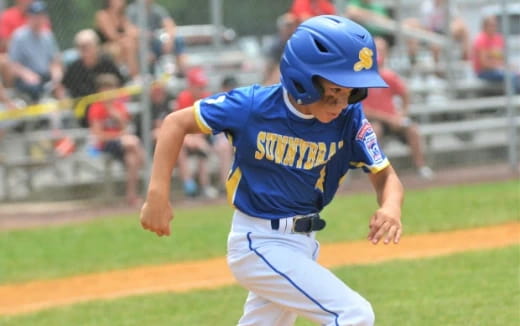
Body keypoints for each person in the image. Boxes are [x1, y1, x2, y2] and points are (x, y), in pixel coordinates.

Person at [141, 15, 404, 326]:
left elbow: (385, 175)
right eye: (334, 90)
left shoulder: (349, 118)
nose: (341, 102)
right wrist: (157, 193)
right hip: (258, 241)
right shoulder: (253, 106)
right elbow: (175, 123)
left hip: (302, 244)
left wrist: (390, 207)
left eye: (351, 92)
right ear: (303, 80)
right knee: (353, 315)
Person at [362, 37, 434, 180]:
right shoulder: (362, 78)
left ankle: (421, 167)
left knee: (412, 130)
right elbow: (364, 110)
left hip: (394, 119)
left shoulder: (389, 76)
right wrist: (390, 119)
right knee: (373, 132)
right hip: (374, 121)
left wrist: (402, 114)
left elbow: (405, 93)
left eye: (382, 50)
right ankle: (377, 172)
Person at [88, 73, 144, 206]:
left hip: (122, 144)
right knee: (133, 142)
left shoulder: (118, 107)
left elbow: (125, 128)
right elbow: (98, 136)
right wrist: (118, 136)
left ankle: (131, 196)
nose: (109, 93)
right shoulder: (96, 108)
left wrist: (118, 117)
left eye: (111, 89)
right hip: (105, 144)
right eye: (105, 89)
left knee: (131, 159)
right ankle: (147, 166)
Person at [62, 29, 126, 126]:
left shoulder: (106, 64)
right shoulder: (74, 68)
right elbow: (63, 88)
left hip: (109, 109)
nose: (84, 49)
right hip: (84, 113)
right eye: (80, 46)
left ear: (96, 46)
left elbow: (121, 85)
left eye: (87, 46)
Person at [174, 66, 217, 198]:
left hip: (204, 135)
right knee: (180, 147)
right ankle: (189, 185)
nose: (202, 90)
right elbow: (180, 125)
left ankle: (205, 186)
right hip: (187, 137)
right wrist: (191, 139)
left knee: (202, 151)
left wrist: (198, 139)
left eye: (203, 86)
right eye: (199, 87)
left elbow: (209, 124)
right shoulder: (183, 98)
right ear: (190, 86)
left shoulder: (207, 98)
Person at [8, 1, 64, 102]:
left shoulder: (48, 36)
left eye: (41, 16)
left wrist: (56, 76)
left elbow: (54, 61)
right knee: (35, 88)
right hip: (27, 79)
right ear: (29, 17)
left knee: (61, 85)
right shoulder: (19, 36)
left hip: (45, 76)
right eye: (36, 16)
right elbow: (13, 65)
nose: (39, 19)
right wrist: (26, 74)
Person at [126, 0, 187, 77]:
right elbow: (129, 30)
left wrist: (169, 39)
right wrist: (144, 34)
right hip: (140, 42)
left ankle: (182, 73)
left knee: (178, 40)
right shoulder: (132, 10)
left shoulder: (156, 9)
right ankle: (136, 77)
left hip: (154, 41)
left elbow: (170, 25)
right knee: (131, 43)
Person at [472, 15, 520, 93]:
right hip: (484, 72)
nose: (493, 27)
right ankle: (514, 100)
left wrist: (511, 67)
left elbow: (503, 59)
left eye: (495, 25)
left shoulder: (498, 38)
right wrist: (500, 67)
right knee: (511, 77)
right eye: (491, 25)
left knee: (517, 73)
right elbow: (484, 64)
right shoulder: (481, 40)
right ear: (484, 26)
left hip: (499, 70)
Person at [94, 0, 139, 78]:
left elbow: (132, 31)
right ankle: (134, 76)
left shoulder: (121, 16)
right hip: (105, 46)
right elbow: (112, 36)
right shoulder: (102, 15)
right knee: (128, 44)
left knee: (134, 43)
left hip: (121, 43)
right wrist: (128, 36)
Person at [263, 13, 298, 85]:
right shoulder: (276, 45)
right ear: (281, 28)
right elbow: (270, 66)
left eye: (294, 25)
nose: (291, 29)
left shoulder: (299, 43)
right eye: (288, 26)